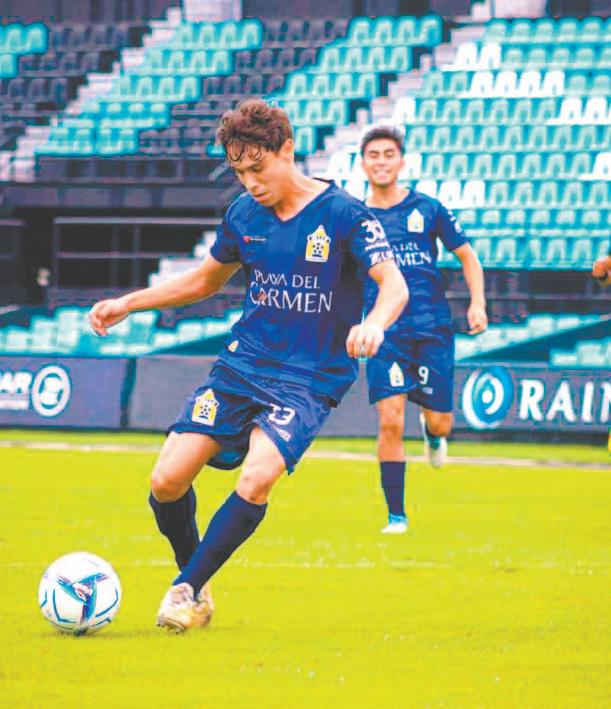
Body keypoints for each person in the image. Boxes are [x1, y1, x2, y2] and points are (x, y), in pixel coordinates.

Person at [88, 100, 408, 631]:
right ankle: (196, 580)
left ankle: (185, 589)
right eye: (239, 173)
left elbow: (393, 284)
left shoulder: (345, 214)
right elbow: (203, 281)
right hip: (243, 367)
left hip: (308, 378)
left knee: (258, 477)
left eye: (258, 168)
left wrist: (375, 323)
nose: (250, 183)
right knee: (166, 481)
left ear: (288, 150)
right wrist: (129, 303)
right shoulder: (244, 215)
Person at [359, 125, 488, 534]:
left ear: (402, 161)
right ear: (363, 163)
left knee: (440, 422)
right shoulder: (355, 217)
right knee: (390, 420)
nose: (381, 161)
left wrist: (478, 303)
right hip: (385, 333)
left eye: (388, 154)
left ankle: (433, 437)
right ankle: (396, 515)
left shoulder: (428, 208)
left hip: (432, 328)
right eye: (374, 155)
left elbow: (468, 257)